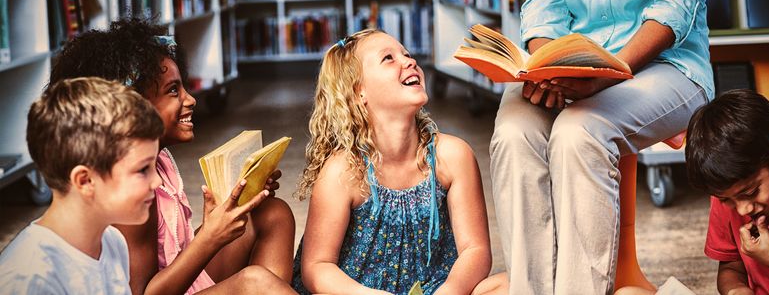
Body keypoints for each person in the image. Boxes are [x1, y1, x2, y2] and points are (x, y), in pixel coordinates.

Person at [490, 0, 715, 293]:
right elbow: (542, 11)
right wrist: (550, 70)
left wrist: (605, 76)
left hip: (669, 65)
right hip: (572, 64)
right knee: (512, 133)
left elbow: (677, 6)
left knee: (579, 132)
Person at [47, 17, 297, 294]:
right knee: (255, 283)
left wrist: (227, 212)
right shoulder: (133, 187)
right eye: (173, 91)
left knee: (272, 213)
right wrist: (210, 238)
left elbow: (177, 255)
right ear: (133, 107)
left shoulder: (159, 159)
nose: (190, 100)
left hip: (181, 280)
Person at [291, 29, 507, 294]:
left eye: (407, 54)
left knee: (512, 284)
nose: (409, 61)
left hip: (435, 289)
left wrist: (450, 291)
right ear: (359, 92)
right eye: (388, 59)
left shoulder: (452, 156)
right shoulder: (342, 172)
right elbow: (317, 266)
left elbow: (475, 250)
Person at [0, 77, 164, 294]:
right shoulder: (28, 279)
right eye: (143, 169)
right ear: (85, 181)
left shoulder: (112, 242)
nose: (158, 181)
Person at [686, 89, 769, 295]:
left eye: (750, 192)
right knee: (629, 293)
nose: (742, 210)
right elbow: (731, 267)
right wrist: (736, 290)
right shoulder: (725, 195)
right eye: (727, 200)